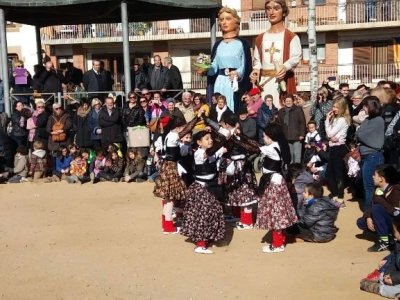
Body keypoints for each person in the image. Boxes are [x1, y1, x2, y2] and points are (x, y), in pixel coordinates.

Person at [153, 113, 200, 234]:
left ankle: (166, 223)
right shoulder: (173, 136)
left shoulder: (168, 135)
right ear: (178, 126)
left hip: (168, 166)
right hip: (171, 167)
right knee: (171, 198)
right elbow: (188, 129)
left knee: (169, 197)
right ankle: (168, 226)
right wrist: (197, 118)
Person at [181, 131, 226, 254]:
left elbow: (222, 144)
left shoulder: (211, 152)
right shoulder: (200, 153)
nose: (210, 140)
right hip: (202, 189)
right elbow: (210, 153)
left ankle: (209, 237)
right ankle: (200, 244)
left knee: (214, 212)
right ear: (199, 143)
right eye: (207, 139)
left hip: (212, 187)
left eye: (211, 138)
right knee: (202, 215)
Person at [250, 0, 301, 109]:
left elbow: (295, 57)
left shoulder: (291, 37)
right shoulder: (260, 38)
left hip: (282, 82)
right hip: (264, 83)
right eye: (268, 9)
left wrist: (285, 67)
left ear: (283, 12)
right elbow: (257, 60)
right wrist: (256, 70)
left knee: (282, 113)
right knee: (263, 113)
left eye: (276, 8)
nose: (271, 12)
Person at [206, 7, 252, 113]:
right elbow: (215, 65)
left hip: (234, 83)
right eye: (221, 19)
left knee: (233, 108)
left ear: (236, 22)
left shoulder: (242, 43)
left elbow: (246, 65)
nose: (224, 22)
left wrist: (237, 73)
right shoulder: (218, 45)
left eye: (228, 19)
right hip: (220, 81)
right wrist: (206, 68)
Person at [357, 164, 400, 252]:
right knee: (361, 222)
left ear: (381, 178)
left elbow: (396, 213)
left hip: (396, 223)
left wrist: (381, 201)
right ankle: (388, 236)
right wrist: (368, 216)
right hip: (388, 220)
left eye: (375, 175)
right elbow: (370, 205)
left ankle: (384, 242)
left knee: (377, 209)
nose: (373, 177)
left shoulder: (396, 191)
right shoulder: (378, 189)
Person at [360, 214, 400, 298]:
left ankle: (379, 289)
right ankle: (383, 280)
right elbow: (393, 259)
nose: (394, 234)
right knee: (384, 277)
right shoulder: (398, 244)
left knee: (395, 289)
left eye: (395, 231)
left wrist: (394, 278)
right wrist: (388, 274)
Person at [356, 96, 385, 211]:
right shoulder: (367, 119)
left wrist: (359, 132)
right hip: (365, 156)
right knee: (366, 184)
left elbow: (361, 135)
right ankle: (371, 210)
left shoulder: (378, 120)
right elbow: (359, 134)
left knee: (369, 186)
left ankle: (369, 211)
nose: (363, 108)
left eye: (365, 105)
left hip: (373, 156)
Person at [325, 96, 350, 207]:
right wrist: (331, 136)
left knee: (338, 174)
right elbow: (329, 135)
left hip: (338, 148)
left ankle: (340, 198)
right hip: (333, 147)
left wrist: (326, 121)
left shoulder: (341, 120)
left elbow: (330, 134)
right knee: (330, 174)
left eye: (337, 107)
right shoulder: (335, 118)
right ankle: (335, 195)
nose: (334, 109)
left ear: (342, 108)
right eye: (333, 106)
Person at [277, 93, 306, 163]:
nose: (288, 102)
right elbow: (279, 124)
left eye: (290, 101)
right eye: (287, 101)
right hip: (286, 137)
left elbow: (302, 122)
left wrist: (302, 134)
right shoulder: (281, 111)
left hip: (297, 136)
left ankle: (297, 171)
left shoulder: (298, 110)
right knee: (289, 156)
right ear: (284, 102)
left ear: (293, 101)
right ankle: (290, 171)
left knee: (297, 155)